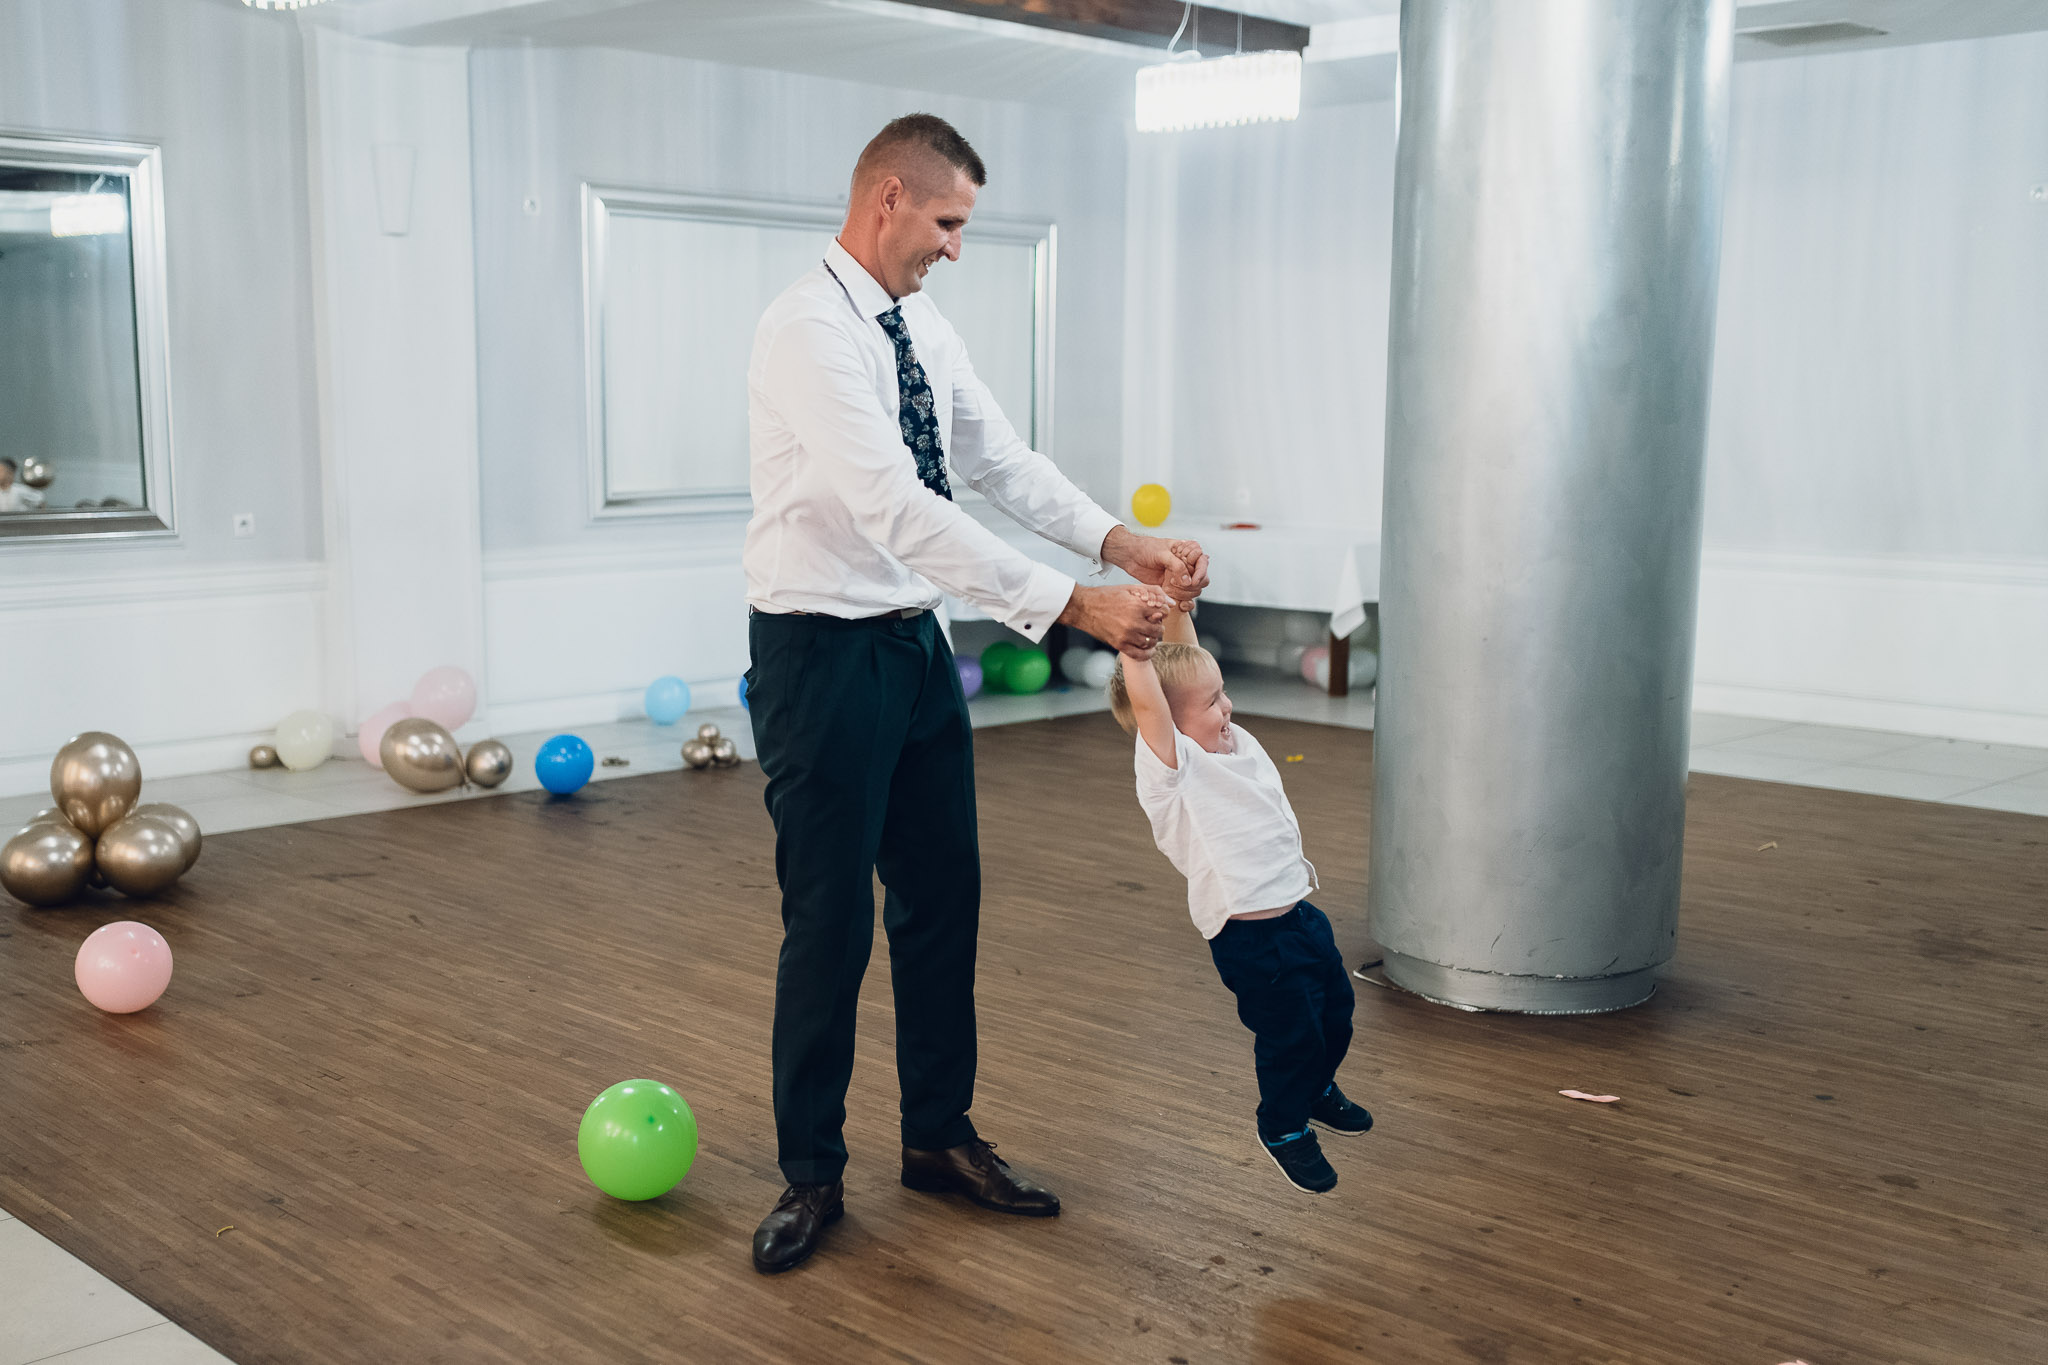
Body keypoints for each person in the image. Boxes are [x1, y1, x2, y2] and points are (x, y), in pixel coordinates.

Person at [742, 112, 1210, 1274]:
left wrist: (1122, 544)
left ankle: (936, 1138)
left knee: (942, 900)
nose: (955, 246)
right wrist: (1072, 605)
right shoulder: (807, 330)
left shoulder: (919, 324)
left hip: (915, 650)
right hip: (817, 657)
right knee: (829, 922)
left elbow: (998, 462)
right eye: (947, 222)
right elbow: (894, 508)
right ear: (888, 199)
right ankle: (810, 1173)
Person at [1107, 592, 1373, 1195]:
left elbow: (1187, 664)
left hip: (1300, 915)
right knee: (1291, 1037)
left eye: (1223, 693)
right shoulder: (1175, 768)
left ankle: (1316, 1091)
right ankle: (1282, 1126)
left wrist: (1177, 601)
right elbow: (1153, 698)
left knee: (1335, 1016)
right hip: (1252, 939)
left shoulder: (1227, 742)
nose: (1227, 706)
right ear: (1168, 724)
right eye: (1212, 703)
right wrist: (1134, 646)